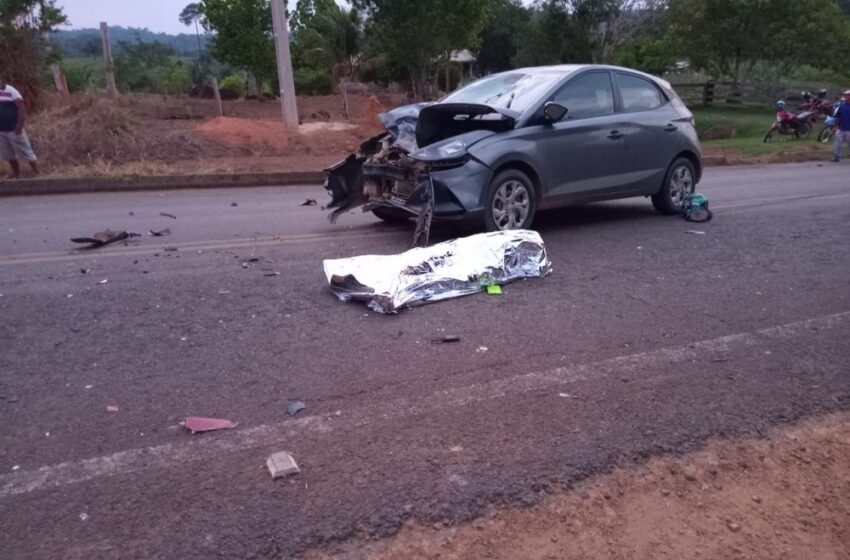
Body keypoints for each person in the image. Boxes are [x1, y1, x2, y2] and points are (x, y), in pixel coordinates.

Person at [0, 79, 38, 178]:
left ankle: (37, 173)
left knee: (26, 151)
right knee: (8, 154)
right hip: (2, 130)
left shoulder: (12, 91)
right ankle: (16, 174)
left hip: (14, 128)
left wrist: (19, 126)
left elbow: (21, 109)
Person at [832, 90, 850, 163]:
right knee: (837, 143)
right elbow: (838, 117)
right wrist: (835, 126)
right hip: (841, 128)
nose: (846, 97)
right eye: (845, 95)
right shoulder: (841, 106)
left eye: (847, 95)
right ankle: (836, 157)